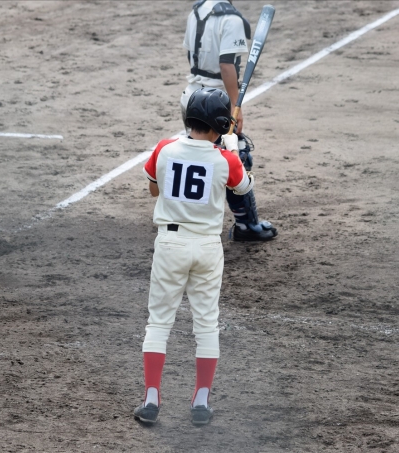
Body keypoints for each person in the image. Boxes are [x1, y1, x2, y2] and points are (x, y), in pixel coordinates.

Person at [134, 87, 253, 426]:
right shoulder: (225, 159)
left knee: (159, 322)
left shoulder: (165, 148)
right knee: (206, 323)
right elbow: (243, 188)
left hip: (170, 245)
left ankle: (151, 399)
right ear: (221, 124)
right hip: (207, 248)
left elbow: (153, 188)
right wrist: (232, 148)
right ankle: (201, 401)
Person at [180, 0, 277, 241]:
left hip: (191, 96)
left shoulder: (197, 11)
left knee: (196, 157)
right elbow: (226, 64)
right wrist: (235, 104)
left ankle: (186, 218)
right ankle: (246, 225)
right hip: (216, 101)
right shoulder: (231, 19)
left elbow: (191, 53)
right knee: (237, 157)